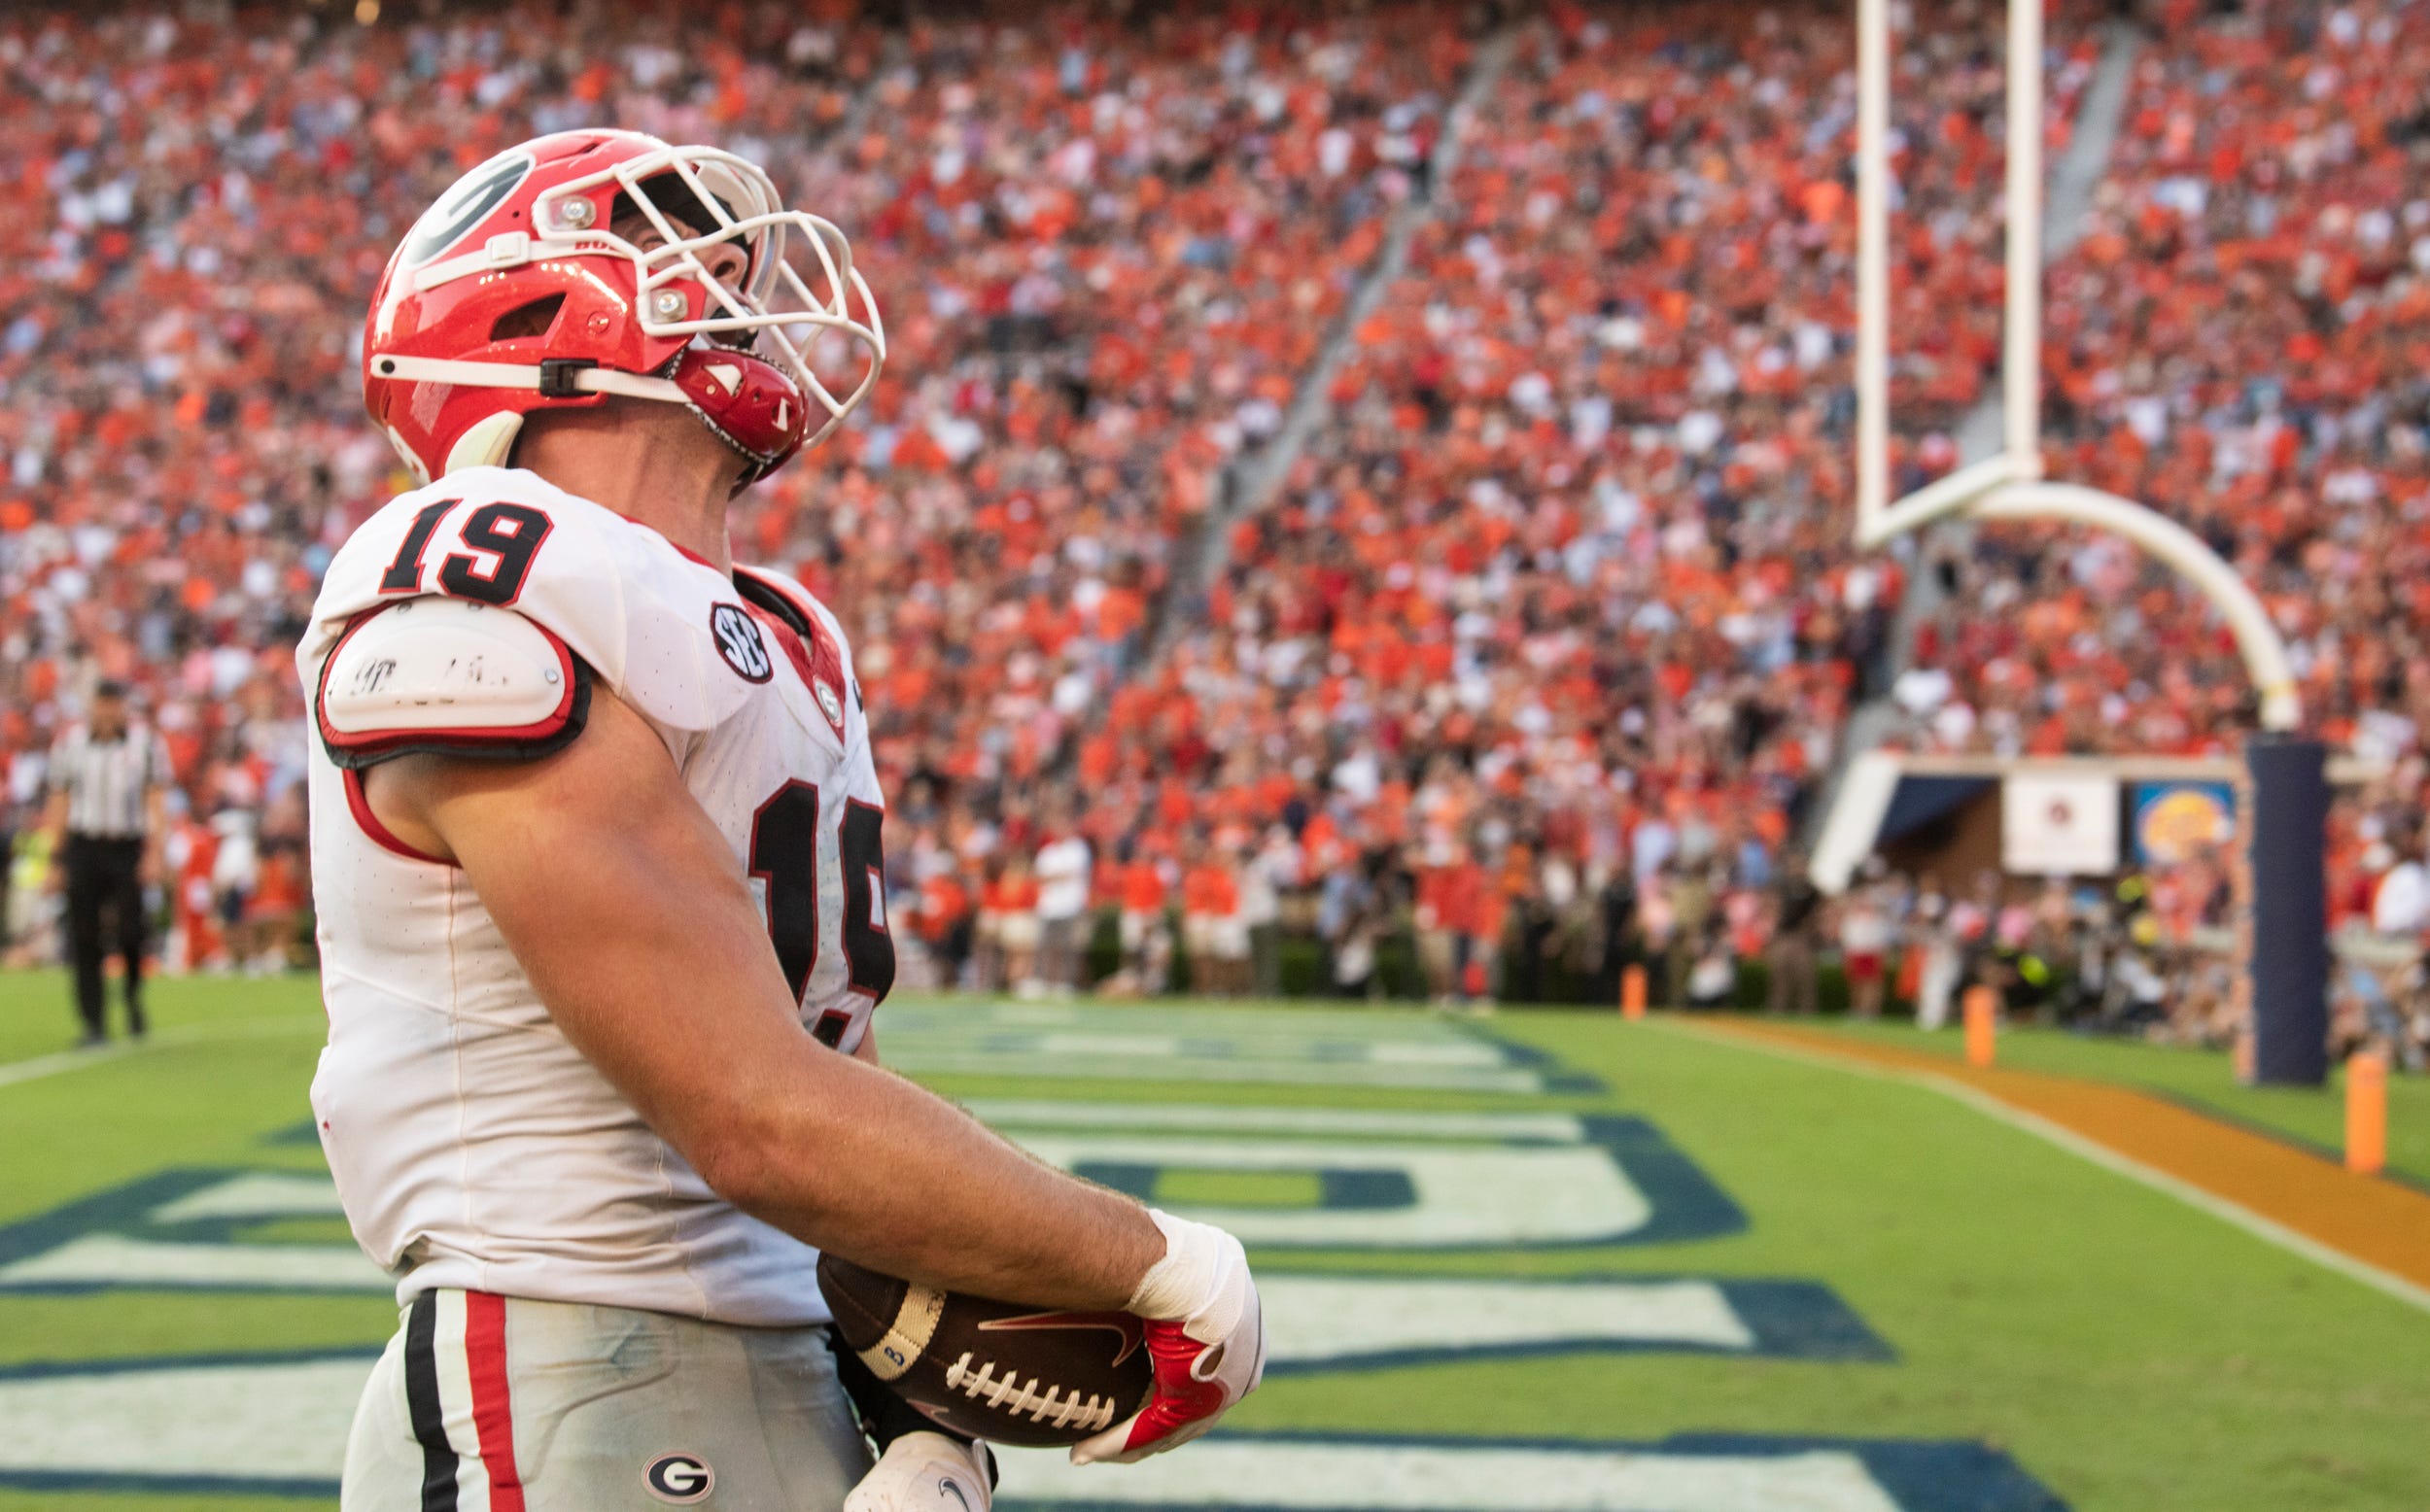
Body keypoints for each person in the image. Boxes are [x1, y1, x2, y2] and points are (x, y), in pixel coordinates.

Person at [304, 133, 1262, 1512]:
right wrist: (1150, 1262)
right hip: (566, 1361)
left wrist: (903, 1392)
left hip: (778, 1364)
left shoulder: (779, 629)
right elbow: (752, 1112)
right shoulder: (482, 574)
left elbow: (831, 1067)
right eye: (672, 244)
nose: (736, 279)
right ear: (519, 310)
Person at [41, 681, 169, 1047]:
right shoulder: (70, 745)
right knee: (83, 932)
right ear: (93, 707)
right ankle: (93, 1020)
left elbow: (155, 799)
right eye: (103, 704)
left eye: (114, 704)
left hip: (126, 845)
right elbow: (60, 801)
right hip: (84, 845)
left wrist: (154, 852)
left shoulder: (144, 745)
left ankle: (131, 996)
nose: (108, 712)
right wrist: (55, 858)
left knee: (131, 930)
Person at [1030, 817, 1093, 997]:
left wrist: (1054, 876)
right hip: (1049, 906)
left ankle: (1065, 982)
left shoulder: (1078, 848)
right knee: (1045, 946)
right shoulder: (1047, 852)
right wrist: (1058, 876)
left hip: (1070, 905)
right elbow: (1040, 877)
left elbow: (1074, 873)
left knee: (1067, 948)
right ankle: (1041, 981)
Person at [1766, 853, 1823, 1016]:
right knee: (1779, 972)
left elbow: (1817, 912)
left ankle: (1807, 1009)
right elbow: (1773, 907)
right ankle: (1777, 1008)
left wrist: (1811, 931)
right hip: (1783, 933)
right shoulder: (1782, 886)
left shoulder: (1811, 889)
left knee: (1805, 975)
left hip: (1801, 935)